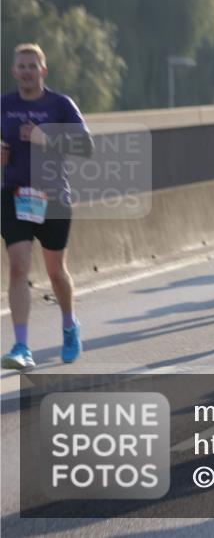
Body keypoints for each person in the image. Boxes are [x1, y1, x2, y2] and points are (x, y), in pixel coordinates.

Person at [1, 43, 94, 370]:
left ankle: (69, 325)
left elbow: (86, 146)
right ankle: (21, 346)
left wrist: (45, 137)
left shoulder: (60, 105)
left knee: (56, 272)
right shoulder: (4, 105)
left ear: (43, 70)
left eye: (32, 66)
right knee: (18, 267)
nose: (27, 71)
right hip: (13, 195)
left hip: (53, 196)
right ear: (14, 71)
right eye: (21, 66)